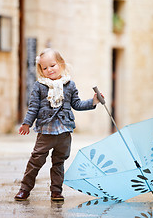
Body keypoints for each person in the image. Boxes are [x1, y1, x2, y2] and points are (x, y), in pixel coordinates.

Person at [14, 48, 99, 202]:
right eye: (44, 68)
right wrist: (27, 123)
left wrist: (93, 102)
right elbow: (33, 107)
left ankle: (56, 192)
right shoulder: (39, 86)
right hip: (46, 131)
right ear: (41, 70)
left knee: (59, 162)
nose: (49, 70)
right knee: (35, 161)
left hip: (64, 131)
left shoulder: (70, 85)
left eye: (52, 65)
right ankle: (24, 189)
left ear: (61, 64)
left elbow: (77, 104)